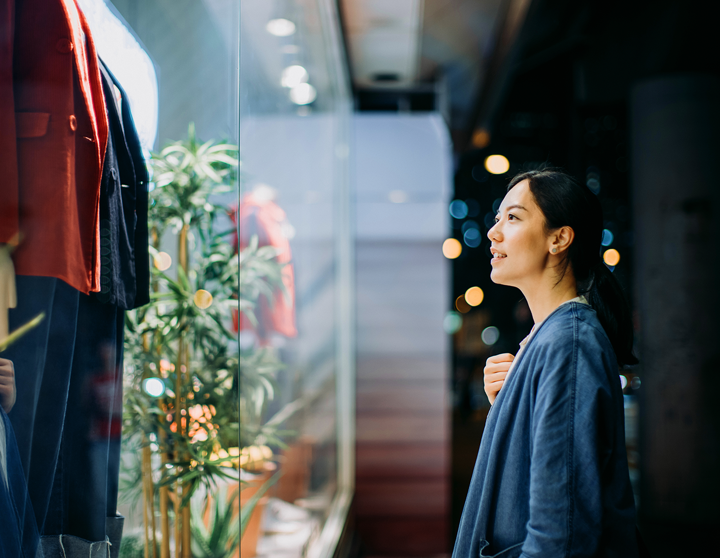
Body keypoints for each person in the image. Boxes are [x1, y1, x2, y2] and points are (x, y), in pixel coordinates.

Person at [453, 169, 639, 558]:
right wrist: (509, 404)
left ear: (559, 238)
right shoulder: (550, 339)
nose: (493, 231)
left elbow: (561, 531)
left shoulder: (567, 346)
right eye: (497, 216)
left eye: (514, 217)